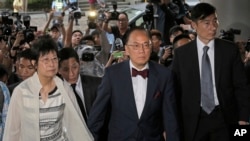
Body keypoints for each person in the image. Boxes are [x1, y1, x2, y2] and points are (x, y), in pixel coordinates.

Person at [172, 3, 250, 141]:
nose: (213, 27)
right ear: (194, 25)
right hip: (193, 121)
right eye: (207, 23)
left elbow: (241, 87)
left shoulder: (229, 50)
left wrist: (243, 120)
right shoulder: (181, 55)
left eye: (215, 21)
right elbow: (175, 91)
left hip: (225, 118)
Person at [88, 27, 179, 141]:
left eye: (146, 45)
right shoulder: (112, 74)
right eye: (136, 46)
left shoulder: (165, 75)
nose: (142, 50)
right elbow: (97, 114)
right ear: (126, 49)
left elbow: (171, 118)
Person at [3, 35, 93, 141]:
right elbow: (12, 131)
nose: (51, 64)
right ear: (35, 63)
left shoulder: (63, 88)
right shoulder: (22, 91)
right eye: (46, 60)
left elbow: (76, 122)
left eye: (54, 59)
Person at [58, 47, 102, 121]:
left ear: (79, 64)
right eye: (66, 69)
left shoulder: (97, 84)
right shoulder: (56, 92)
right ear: (58, 70)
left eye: (74, 67)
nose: (71, 73)